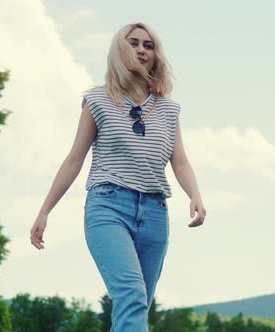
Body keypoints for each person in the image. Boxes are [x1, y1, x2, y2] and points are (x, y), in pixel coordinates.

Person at [29, 22, 206, 331]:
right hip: (108, 207)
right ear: (119, 52)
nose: (141, 49)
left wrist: (195, 195)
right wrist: (45, 210)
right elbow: (74, 159)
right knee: (132, 295)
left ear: (156, 55)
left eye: (148, 45)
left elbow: (180, 161)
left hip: (155, 213)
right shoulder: (97, 100)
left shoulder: (168, 109)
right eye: (133, 43)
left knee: (138, 306)